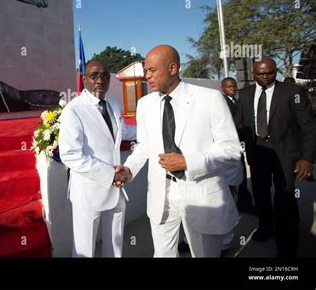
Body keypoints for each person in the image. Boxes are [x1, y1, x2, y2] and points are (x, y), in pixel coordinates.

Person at [116, 45, 242, 257]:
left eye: (152, 70)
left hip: (200, 193)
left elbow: (231, 150)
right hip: (160, 195)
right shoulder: (145, 104)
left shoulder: (210, 98)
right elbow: (145, 146)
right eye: (145, 70)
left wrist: (187, 163)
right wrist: (128, 169)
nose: (146, 76)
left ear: (173, 68)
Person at [235, 57, 315, 258]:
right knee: (261, 194)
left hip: (286, 154)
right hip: (257, 152)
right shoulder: (244, 95)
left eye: (269, 72)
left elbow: (309, 127)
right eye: (259, 73)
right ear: (253, 74)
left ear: (276, 71)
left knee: (285, 198)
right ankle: (266, 227)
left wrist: (307, 158)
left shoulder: (293, 92)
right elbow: (238, 126)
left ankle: (287, 247)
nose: (264, 77)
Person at [58, 59, 136, 257]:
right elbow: (70, 155)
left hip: (117, 191)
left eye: (104, 76)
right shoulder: (73, 110)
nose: (100, 80)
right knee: (85, 249)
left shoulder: (113, 104)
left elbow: (122, 132)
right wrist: (111, 175)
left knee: (115, 245)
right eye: (94, 76)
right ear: (84, 79)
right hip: (89, 190)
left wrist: (151, 131)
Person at [221, 77, 255, 213]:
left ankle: (243, 202)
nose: (232, 89)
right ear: (222, 88)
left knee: (239, 174)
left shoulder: (237, 100)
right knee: (232, 177)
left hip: (238, 145)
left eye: (234, 86)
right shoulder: (222, 103)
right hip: (229, 146)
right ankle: (240, 204)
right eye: (229, 87)